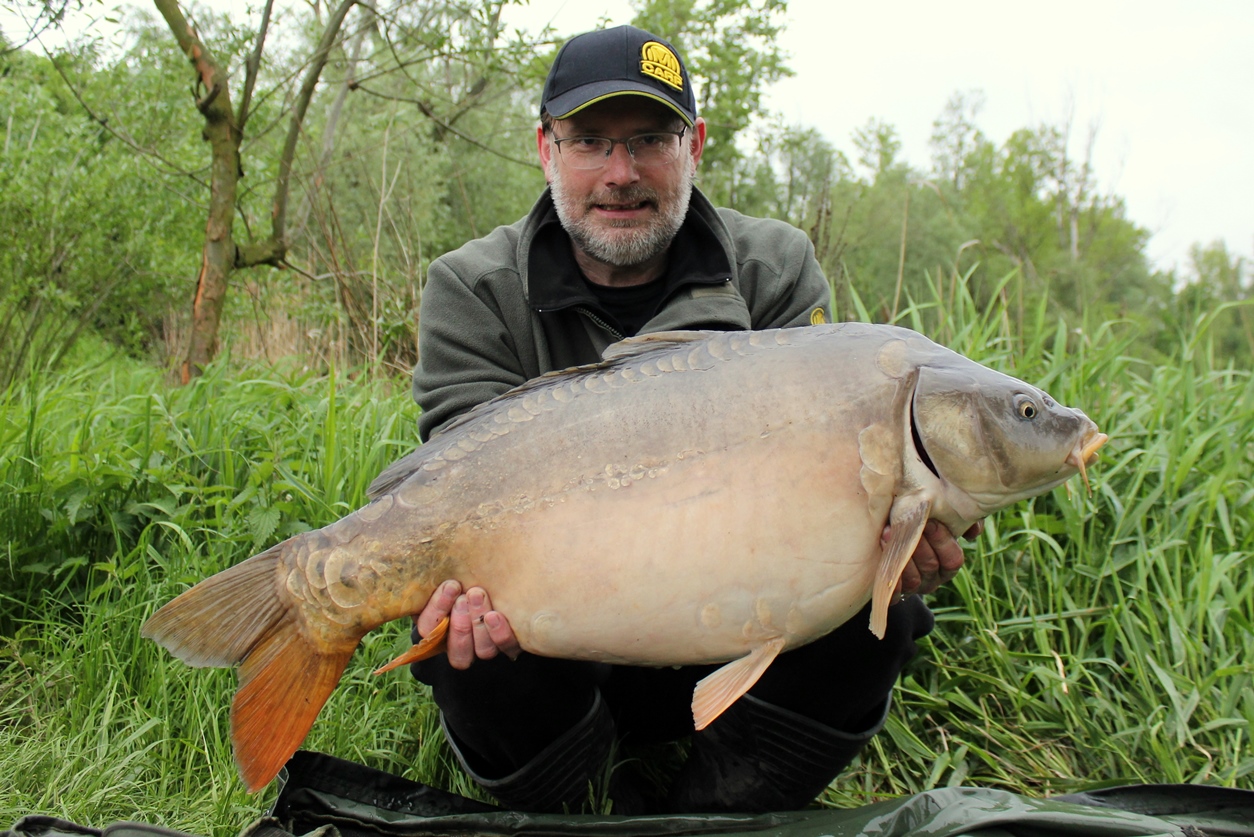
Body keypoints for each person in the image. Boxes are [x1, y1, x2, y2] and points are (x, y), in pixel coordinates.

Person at [407, 24, 970, 815]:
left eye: (649, 139)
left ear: (694, 142)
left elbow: (826, 482)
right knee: (464, 634)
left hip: (736, 624)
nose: (620, 173)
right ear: (545, 148)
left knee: (885, 612)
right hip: (558, 643)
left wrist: (887, 549)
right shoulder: (472, 288)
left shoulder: (774, 269)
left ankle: (722, 807)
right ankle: (576, 804)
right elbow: (461, 484)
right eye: (590, 142)